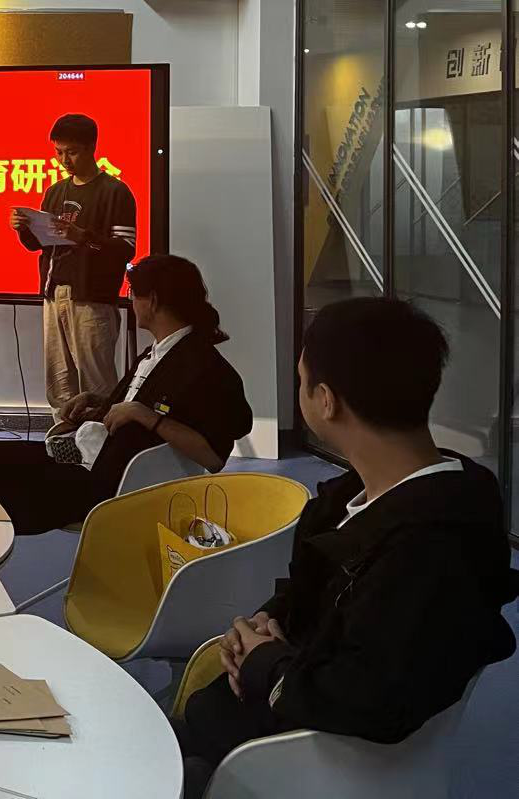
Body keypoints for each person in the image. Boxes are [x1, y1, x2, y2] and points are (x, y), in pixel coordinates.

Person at [175, 297, 518, 797]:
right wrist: (265, 624)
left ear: (325, 400)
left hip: (286, 761)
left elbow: (369, 695)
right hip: (257, 718)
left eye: (300, 381)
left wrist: (266, 665)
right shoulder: (365, 499)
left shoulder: (431, 547)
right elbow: (316, 594)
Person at [0, 254, 251, 534]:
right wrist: (98, 403)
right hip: (95, 460)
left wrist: (145, 416)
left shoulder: (204, 368)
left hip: (107, 484)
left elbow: (212, 457)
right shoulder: (159, 353)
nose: (130, 301)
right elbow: (139, 404)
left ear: (153, 301)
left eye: (133, 294)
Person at [10, 113, 137, 413]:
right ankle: (63, 436)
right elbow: (39, 245)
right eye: (58, 152)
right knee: (59, 383)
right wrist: (24, 229)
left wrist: (83, 237)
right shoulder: (56, 191)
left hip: (92, 298)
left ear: (92, 147)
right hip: (54, 293)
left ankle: (98, 438)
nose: (64, 160)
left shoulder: (114, 192)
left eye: (72, 152)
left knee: (96, 384)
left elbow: (125, 249)